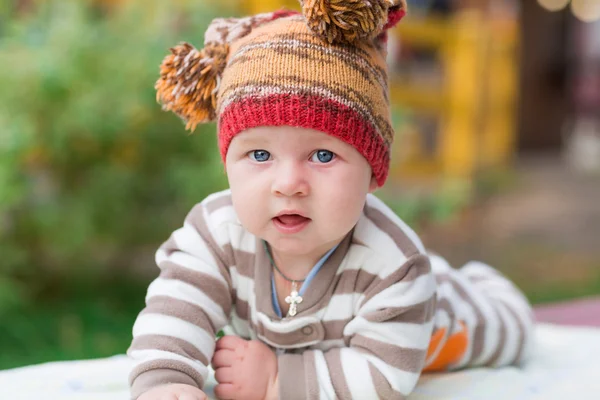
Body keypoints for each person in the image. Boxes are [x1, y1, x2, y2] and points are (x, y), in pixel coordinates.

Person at [127, 1, 534, 399]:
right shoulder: (214, 232)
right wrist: (167, 379)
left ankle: (480, 286)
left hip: (439, 322)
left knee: (506, 327)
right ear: (229, 164)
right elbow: (176, 308)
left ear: (373, 172)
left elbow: (384, 375)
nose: (288, 184)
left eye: (323, 156)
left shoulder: (394, 266)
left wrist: (275, 380)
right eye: (260, 155)